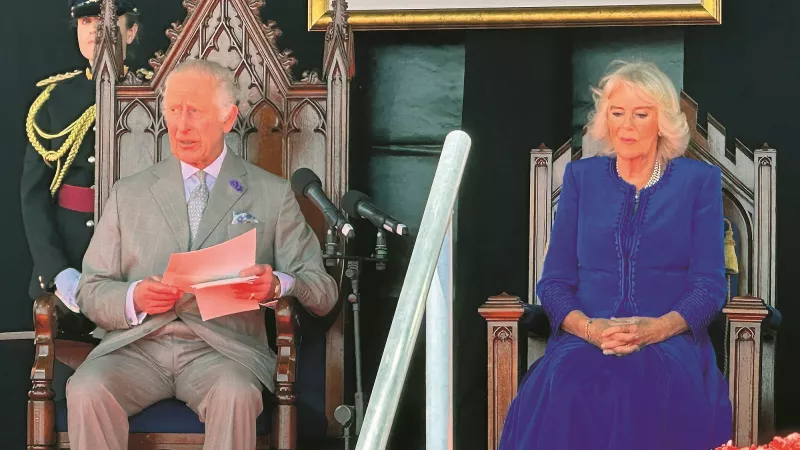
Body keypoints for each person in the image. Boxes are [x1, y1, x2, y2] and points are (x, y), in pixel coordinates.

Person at [66, 58, 338, 450]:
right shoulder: (130, 192)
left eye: (194, 111)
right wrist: (134, 297)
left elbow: (323, 290)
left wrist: (277, 285)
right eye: (173, 110)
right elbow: (90, 290)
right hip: (137, 347)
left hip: (225, 352)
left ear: (228, 118)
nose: (181, 124)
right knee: (87, 388)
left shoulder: (272, 194)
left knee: (236, 394)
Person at [498, 61, 732, 450]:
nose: (627, 125)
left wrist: (652, 330)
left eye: (641, 114)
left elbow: (709, 286)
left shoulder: (699, 183)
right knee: (571, 380)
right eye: (617, 113)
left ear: (662, 122)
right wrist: (591, 329)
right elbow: (554, 283)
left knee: (637, 384)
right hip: (585, 339)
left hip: (668, 341)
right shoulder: (580, 179)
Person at [21, 0, 140, 335]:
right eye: (87, 20)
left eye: (109, 20)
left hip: (136, 265)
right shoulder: (53, 100)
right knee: (60, 383)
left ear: (130, 32)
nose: (96, 30)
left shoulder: (153, 94)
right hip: (69, 261)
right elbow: (34, 198)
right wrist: (57, 271)